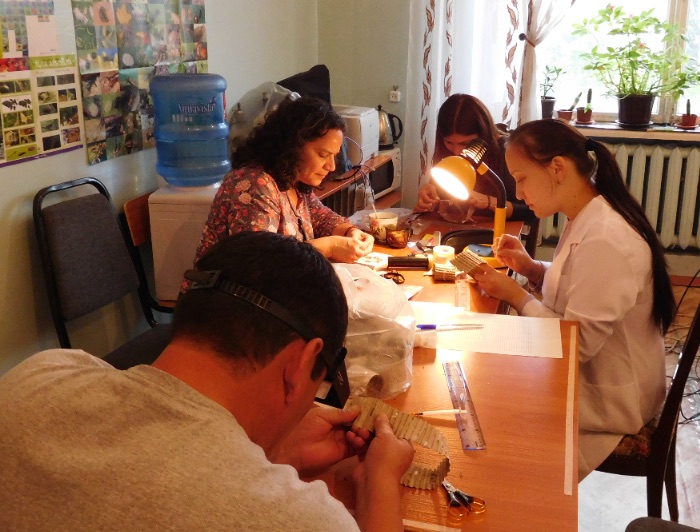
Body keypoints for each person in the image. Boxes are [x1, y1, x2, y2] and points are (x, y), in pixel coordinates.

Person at [0, 231, 414, 531]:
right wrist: (381, 481)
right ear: (300, 363)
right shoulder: (296, 520)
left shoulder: (41, 374)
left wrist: (278, 453)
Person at [470, 119, 676, 480]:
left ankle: (518, 505)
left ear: (558, 168)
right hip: (601, 372)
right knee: (491, 386)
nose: (519, 194)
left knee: (494, 413)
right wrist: (532, 269)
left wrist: (517, 295)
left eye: (521, 178)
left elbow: (574, 345)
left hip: (615, 398)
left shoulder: (607, 237)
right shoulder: (588, 214)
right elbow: (579, 284)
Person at [194, 96, 374, 266]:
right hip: (228, 297)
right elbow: (262, 260)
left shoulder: (294, 181)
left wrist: (350, 232)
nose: (332, 166)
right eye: (323, 155)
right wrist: (331, 247)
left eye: (334, 156)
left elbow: (321, 217)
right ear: (293, 146)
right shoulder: (254, 184)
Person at [414, 94, 533, 222]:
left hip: (498, 231)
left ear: (483, 134)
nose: (457, 151)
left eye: (465, 143)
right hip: (457, 226)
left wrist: (488, 202)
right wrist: (429, 197)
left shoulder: (508, 153)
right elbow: (443, 197)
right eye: (449, 142)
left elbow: (529, 212)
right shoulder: (446, 153)